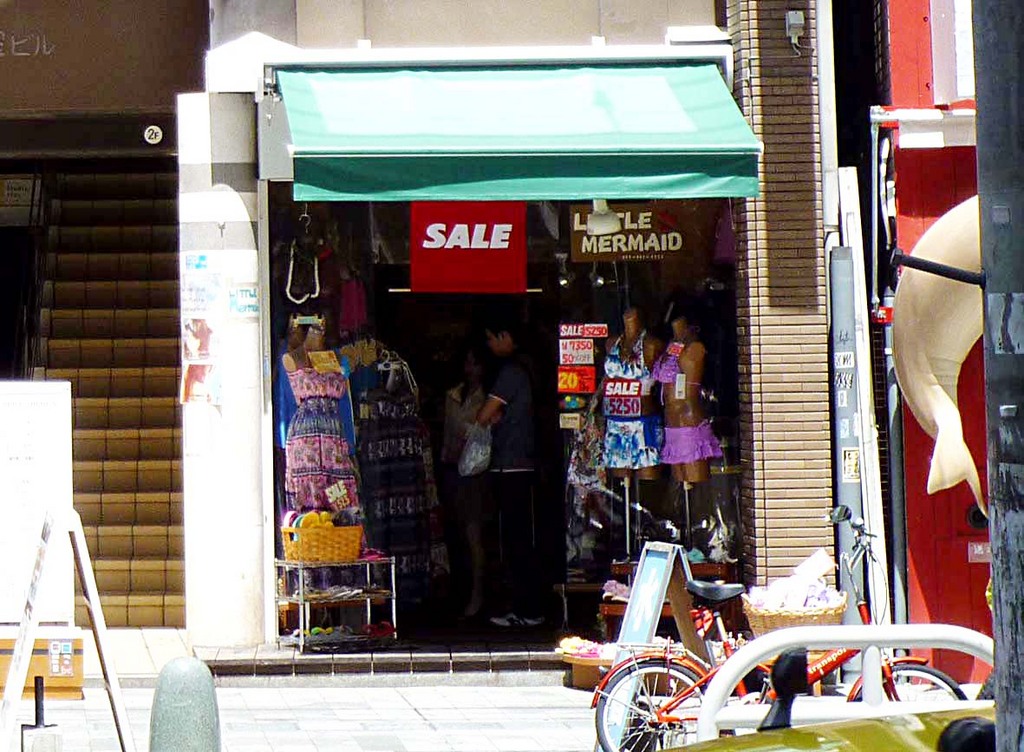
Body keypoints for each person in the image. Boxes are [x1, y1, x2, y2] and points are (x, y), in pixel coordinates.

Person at [476, 311, 545, 627]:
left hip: (512, 465)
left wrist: (491, 416)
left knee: (516, 539)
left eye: (492, 339)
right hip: (524, 462)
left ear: (505, 337)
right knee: (521, 537)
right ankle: (526, 607)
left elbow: (483, 415)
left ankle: (527, 610)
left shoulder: (511, 371)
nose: (490, 345)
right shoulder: (528, 368)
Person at [440, 342, 492, 618]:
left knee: (474, 536)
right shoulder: (453, 395)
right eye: (468, 363)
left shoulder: (488, 397)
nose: (471, 369)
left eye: (476, 363)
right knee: (454, 533)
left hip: (474, 473)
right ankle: (458, 589)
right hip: (451, 469)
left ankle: (478, 593)